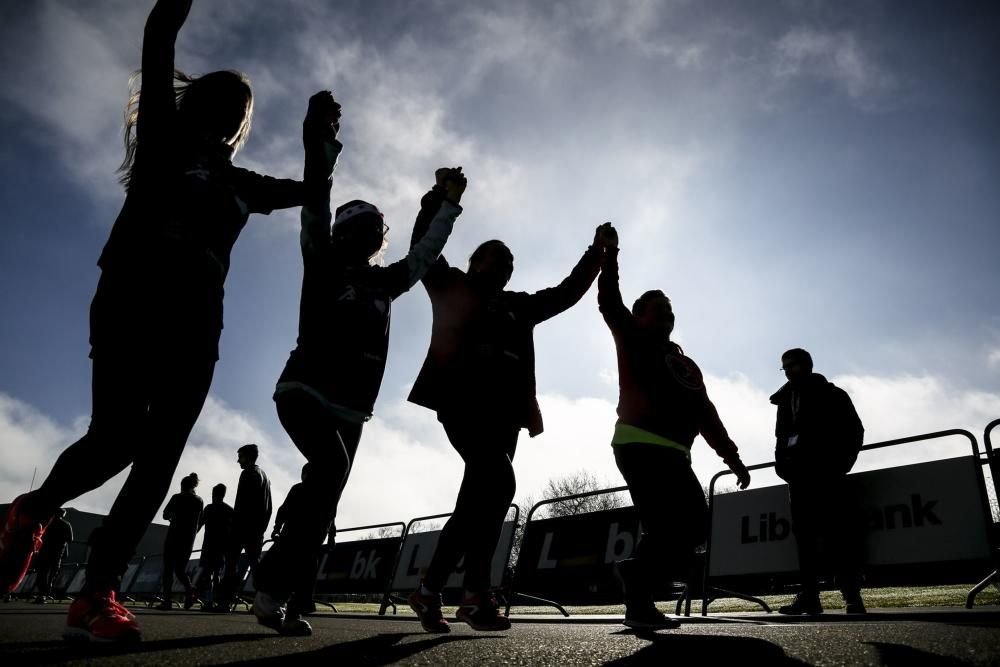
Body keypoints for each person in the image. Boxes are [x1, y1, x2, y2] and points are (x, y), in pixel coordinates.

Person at [0, 0, 310, 642]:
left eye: (239, 113)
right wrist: (171, 13)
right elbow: (159, 37)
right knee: (116, 438)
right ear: (197, 106)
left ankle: (96, 595)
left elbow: (306, 191)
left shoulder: (241, 182)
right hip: (132, 299)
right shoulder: (163, 141)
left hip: (199, 324)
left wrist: (321, 151)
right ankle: (32, 510)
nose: (228, 118)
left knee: (161, 452)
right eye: (221, 104)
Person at [251, 91, 466, 636]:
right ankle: (270, 585)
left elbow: (422, 257)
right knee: (325, 477)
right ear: (345, 233)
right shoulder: (320, 261)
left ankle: (292, 596)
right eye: (363, 228)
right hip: (303, 389)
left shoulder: (384, 282)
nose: (371, 237)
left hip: (352, 409)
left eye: (376, 231)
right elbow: (315, 203)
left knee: (324, 496)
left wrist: (445, 205)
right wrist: (321, 140)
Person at [406, 209, 610, 634]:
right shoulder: (452, 286)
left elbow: (565, 293)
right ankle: (476, 594)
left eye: (511, 263)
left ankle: (430, 590)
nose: (505, 266)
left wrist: (596, 254)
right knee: (499, 482)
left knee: (480, 505)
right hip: (462, 406)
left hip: (505, 420)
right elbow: (424, 247)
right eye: (497, 258)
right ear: (476, 262)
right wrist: (438, 202)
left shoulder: (519, 306)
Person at [596, 224, 751, 630]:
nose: (667, 312)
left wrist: (731, 457)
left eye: (670, 307)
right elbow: (609, 301)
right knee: (669, 525)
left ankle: (637, 589)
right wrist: (609, 255)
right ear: (640, 314)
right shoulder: (631, 336)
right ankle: (639, 588)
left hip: (675, 452)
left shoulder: (686, 363)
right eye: (658, 306)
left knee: (693, 524)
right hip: (638, 443)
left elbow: (706, 412)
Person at [772, 348, 866, 615]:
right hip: (798, 479)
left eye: (792, 365)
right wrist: (783, 466)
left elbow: (854, 431)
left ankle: (851, 595)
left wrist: (839, 465)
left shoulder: (833, 395)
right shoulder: (785, 400)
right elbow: (781, 436)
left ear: (807, 364)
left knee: (839, 535)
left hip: (828, 476)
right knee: (805, 539)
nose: (788, 370)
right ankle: (810, 596)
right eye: (784, 367)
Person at [215, 444, 272, 610]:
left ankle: (225, 601)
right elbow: (269, 507)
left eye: (240, 456)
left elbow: (242, 504)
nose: (237, 460)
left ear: (247, 457)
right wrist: (261, 527)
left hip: (242, 527)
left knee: (231, 564)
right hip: (256, 528)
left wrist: (234, 526)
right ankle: (263, 602)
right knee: (255, 565)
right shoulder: (265, 476)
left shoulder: (248, 473)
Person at [157, 473, 203, 610]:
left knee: (168, 570)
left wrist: (173, 516)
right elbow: (200, 521)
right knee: (180, 570)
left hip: (173, 537)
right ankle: (190, 590)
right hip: (188, 539)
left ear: (182, 486)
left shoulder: (177, 497)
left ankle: (166, 601)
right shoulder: (199, 500)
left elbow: (165, 515)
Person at [193, 483, 233, 609]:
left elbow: (199, 525)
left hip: (209, 545)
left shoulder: (209, 508)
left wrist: (192, 537)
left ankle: (209, 601)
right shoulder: (229, 510)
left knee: (208, 573)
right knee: (218, 574)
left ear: (214, 494)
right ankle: (218, 601)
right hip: (222, 546)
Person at [32, 509, 74, 604]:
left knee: (42, 573)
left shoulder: (47, 524)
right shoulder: (66, 525)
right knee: (52, 574)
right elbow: (70, 539)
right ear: (63, 515)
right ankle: (45, 593)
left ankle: (41, 594)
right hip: (57, 553)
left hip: (44, 552)